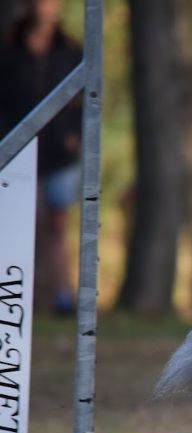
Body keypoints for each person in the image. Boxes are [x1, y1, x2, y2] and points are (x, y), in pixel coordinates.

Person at [0, 0, 82, 315]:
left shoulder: (70, 49)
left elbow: (85, 99)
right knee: (23, 225)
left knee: (58, 229)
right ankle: (21, 298)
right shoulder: (9, 51)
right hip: (17, 153)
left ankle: (63, 295)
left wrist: (74, 134)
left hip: (60, 155)